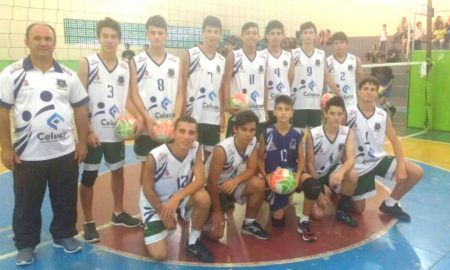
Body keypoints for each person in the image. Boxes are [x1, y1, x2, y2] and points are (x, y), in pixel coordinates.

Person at [0, 23, 90, 265]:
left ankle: (64, 235)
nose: (43, 42)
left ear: (54, 42)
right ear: (27, 41)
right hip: (27, 155)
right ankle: (26, 244)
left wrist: (82, 142)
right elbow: (2, 111)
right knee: (26, 203)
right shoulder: (11, 74)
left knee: (65, 199)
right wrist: (5, 147)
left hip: (64, 152)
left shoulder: (68, 76)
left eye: (47, 38)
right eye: (37, 38)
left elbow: (81, 110)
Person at [77, 17, 143, 243]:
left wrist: (136, 121)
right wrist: (86, 132)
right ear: (99, 37)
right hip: (93, 134)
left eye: (113, 36)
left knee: (118, 172)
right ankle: (88, 222)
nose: (109, 40)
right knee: (89, 178)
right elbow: (79, 102)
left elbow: (130, 99)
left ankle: (118, 213)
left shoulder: (126, 66)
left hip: (117, 133)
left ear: (119, 39)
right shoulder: (87, 63)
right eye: (105, 36)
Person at [346, 77, 423, 221]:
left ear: (377, 93)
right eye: (365, 89)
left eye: (372, 89)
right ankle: (340, 194)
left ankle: (390, 203)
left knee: (416, 172)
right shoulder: (348, 113)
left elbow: (395, 141)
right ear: (359, 91)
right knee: (358, 210)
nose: (369, 92)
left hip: (379, 160)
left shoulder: (382, 115)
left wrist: (400, 165)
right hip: (358, 166)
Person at [139, 116, 214, 263]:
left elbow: (199, 180)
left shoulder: (196, 148)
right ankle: (151, 223)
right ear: (173, 132)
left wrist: (176, 199)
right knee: (160, 255)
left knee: (203, 198)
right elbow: (147, 189)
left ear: (196, 135)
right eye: (182, 131)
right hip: (155, 203)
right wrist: (163, 214)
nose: (186, 137)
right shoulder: (156, 156)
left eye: (191, 133)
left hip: (178, 197)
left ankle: (193, 242)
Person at [257, 95, 321, 242]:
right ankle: (279, 202)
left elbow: (302, 158)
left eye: (287, 109)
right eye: (279, 109)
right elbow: (259, 159)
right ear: (274, 112)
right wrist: (266, 176)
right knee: (278, 223)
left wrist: (298, 175)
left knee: (313, 185)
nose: (283, 112)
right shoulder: (266, 133)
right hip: (275, 179)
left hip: (292, 175)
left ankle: (303, 221)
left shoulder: (298, 133)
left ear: (292, 113)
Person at [129, 15, 184, 183]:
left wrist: (176, 119)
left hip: (170, 125)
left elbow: (180, 93)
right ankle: (146, 206)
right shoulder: (136, 61)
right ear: (147, 34)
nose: (157, 36)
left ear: (166, 35)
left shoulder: (176, 61)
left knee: (171, 168)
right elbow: (134, 94)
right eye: (153, 32)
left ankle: (167, 207)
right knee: (147, 169)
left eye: (160, 33)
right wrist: (147, 119)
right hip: (147, 127)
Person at [205, 110, 270, 241]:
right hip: (213, 189)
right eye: (244, 129)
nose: (248, 134)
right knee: (215, 235)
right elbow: (211, 183)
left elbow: (252, 169)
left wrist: (235, 181)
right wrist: (217, 211)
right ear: (235, 129)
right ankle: (212, 213)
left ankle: (249, 224)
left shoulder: (252, 142)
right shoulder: (222, 150)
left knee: (258, 183)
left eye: (252, 130)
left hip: (231, 184)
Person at [305, 96, 358, 227]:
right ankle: (323, 194)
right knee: (318, 215)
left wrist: (341, 171)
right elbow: (309, 165)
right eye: (332, 113)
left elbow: (351, 159)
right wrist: (317, 192)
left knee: (352, 175)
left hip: (332, 171)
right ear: (325, 114)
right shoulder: (313, 134)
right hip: (315, 176)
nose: (336, 117)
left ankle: (342, 211)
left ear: (344, 115)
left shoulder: (348, 132)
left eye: (339, 114)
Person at [182, 16, 225, 160]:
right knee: (189, 152)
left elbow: (220, 90)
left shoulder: (221, 60)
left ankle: (200, 178)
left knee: (209, 152)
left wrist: (222, 115)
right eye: (209, 31)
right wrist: (181, 110)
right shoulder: (190, 54)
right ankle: (190, 180)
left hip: (213, 114)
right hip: (193, 113)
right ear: (203, 32)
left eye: (215, 32)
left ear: (220, 34)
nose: (212, 35)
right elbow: (181, 85)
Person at [223, 22, 268, 138]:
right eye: (248, 33)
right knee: (234, 150)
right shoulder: (233, 56)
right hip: (239, 112)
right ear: (242, 36)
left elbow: (264, 85)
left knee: (257, 150)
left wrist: (266, 109)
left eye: (254, 33)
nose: (251, 36)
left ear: (258, 36)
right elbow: (226, 81)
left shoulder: (263, 58)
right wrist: (228, 105)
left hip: (258, 112)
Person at [291, 21, 339, 128]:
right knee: (298, 138)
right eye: (305, 32)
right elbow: (288, 78)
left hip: (316, 104)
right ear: (301, 36)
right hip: (298, 104)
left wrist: (338, 95)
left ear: (315, 36)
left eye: (311, 32)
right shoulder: (293, 54)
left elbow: (327, 76)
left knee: (314, 138)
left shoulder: (321, 54)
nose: (308, 35)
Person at [261, 20, 292, 125]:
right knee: (266, 139)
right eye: (272, 33)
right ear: (267, 36)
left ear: (283, 36)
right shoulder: (260, 56)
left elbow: (290, 80)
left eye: (278, 33)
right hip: (268, 106)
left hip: (284, 107)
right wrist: (264, 108)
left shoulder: (289, 56)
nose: (275, 36)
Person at [327, 31, 365, 108]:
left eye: (341, 42)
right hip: (334, 103)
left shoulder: (355, 60)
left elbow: (363, 81)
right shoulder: (327, 61)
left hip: (351, 103)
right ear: (332, 45)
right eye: (336, 43)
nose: (339, 45)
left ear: (346, 44)